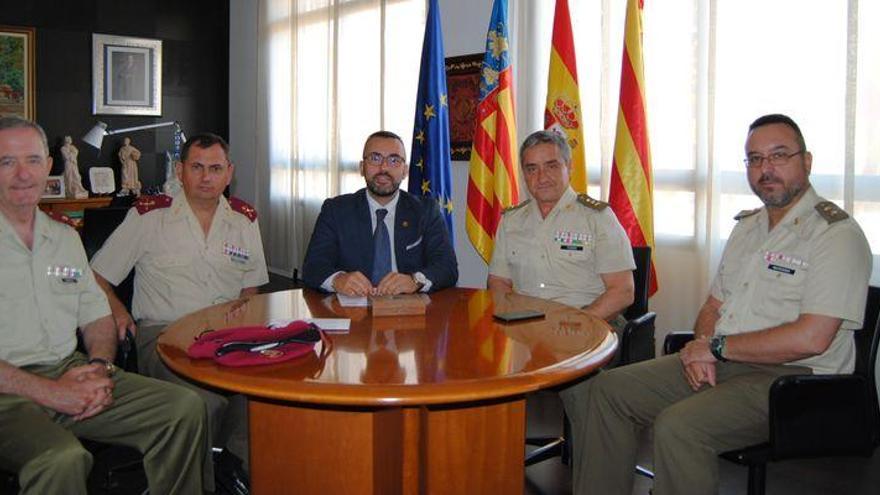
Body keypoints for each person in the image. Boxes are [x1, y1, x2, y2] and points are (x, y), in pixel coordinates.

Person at [566, 114, 873, 495]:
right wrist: (701, 348)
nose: (766, 169)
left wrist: (715, 348)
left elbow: (812, 338)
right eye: (755, 159)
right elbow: (713, 306)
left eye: (779, 156)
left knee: (679, 426)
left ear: (806, 162)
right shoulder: (747, 229)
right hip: (727, 361)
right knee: (609, 390)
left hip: (796, 382)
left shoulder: (836, 235)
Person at [0, 116, 206, 494]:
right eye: (6, 162)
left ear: (48, 167)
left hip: (70, 371)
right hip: (8, 392)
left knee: (183, 409)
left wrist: (99, 367)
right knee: (60, 459)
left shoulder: (63, 238)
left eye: (31, 160)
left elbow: (96, 314)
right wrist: (49, 392)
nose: (22, 174)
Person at [90, 132, 269, 491]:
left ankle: (238, 470)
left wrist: (244, 318)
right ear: (180, 170)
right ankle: (196, 484)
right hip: (164, 336)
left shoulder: (244, 219)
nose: (206, 177)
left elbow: (251, 288)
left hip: (226, 337)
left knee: (263, 393)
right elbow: (96, 276)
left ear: (229, 172)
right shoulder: (148, 217)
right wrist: (120, 313)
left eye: (215, 168)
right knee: (199, 402)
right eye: (197, 167)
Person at [488, 130, 635, 327]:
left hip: (586, 323)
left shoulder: (597, 218)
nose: (542, 177)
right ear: (524, 175)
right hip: (526, 327)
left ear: (569, 167)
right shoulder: (511, 221)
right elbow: (498, 282)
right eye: (532, 169)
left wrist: (577, 323)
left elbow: (622, 291)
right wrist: (510, 318)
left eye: (551, 166)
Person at [302, 130, 458, 295]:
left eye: (393, 160)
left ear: (405, 171)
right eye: (375, 158)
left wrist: (415, 281)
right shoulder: (335, 210)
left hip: (407, 310)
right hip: (352, 310)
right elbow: (313, 266)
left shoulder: (425, 210)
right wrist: (337, 279)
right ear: (362, 167)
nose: (383, 168)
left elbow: (447, 267)